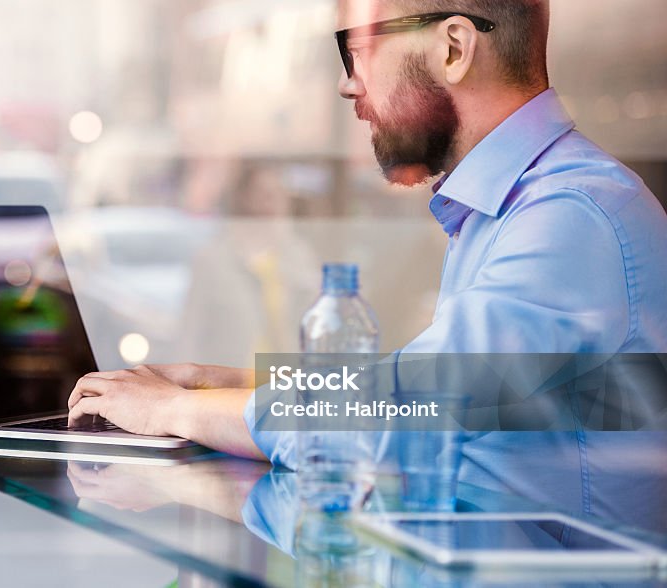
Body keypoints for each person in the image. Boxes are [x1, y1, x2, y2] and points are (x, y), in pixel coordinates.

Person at [68, 0, 667, 530]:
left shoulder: (572, 214)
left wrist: (175, 410)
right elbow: (466, 395)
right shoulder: (514, 208)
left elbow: (408, 413)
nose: (347, 86)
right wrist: (243, 387)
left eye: (359, 49)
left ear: (453, 48)